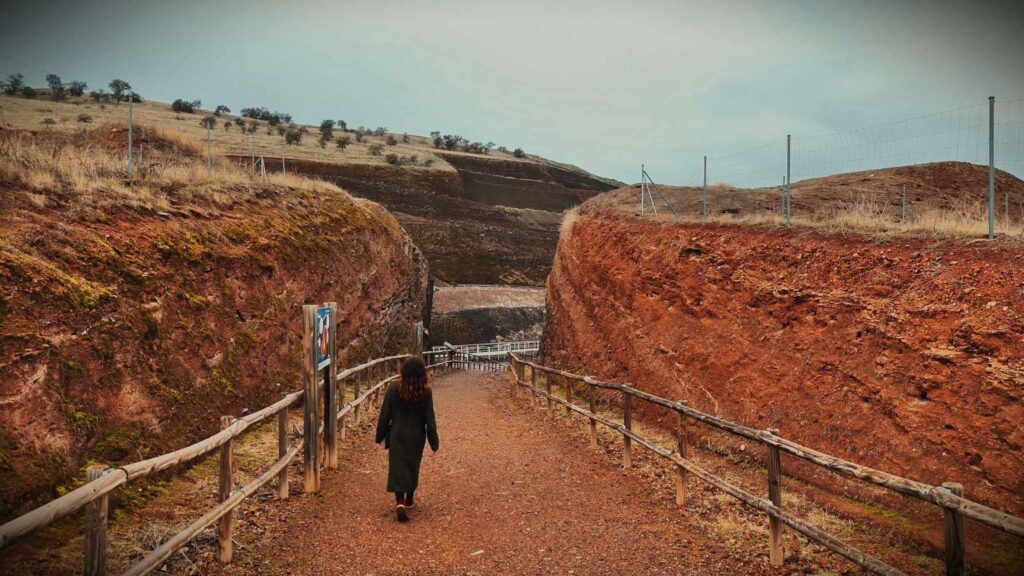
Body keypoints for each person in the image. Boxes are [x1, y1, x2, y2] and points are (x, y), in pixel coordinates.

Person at [375, 356, 439, 522]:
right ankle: (409, 497)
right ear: (422, 373)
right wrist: (434, 442)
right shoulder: (426, 392)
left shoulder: (393, 388)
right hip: (417, 436)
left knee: (397, 465)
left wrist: (380, 434)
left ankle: (400, 501)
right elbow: (430, 419)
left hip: (396, 433)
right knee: (412, 464)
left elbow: (385, 414)